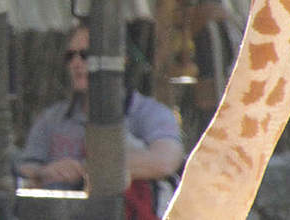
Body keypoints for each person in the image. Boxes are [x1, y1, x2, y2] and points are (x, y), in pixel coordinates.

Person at [16, 24, 185, 219]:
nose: (76, 63)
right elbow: (24, 171)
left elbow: (165, 162)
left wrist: (85, 169)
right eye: (70, 56)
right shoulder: (52, 119)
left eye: (86, 55)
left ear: (120, 60)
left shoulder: (149, 113)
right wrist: (44, 172)